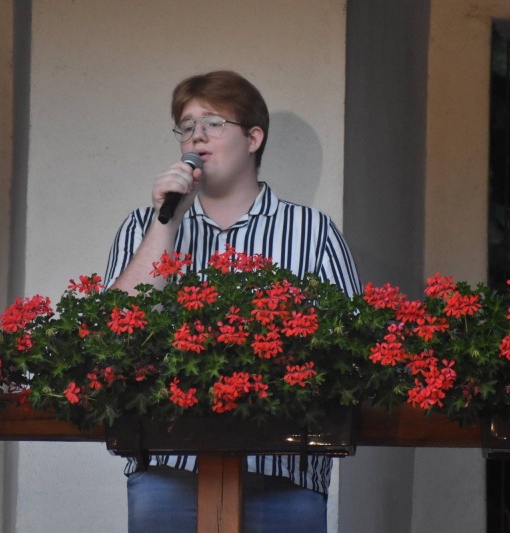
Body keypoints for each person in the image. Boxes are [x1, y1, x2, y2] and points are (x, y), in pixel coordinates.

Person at [103, 70, 362, 533]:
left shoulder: (312, 231)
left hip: (284, 471)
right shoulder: (145, 225)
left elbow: (354, 349)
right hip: (168, 469)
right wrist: (166, 223)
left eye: (214, 123)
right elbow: (112, 334)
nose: (197, 136)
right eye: (187, 125)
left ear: (254, 138)